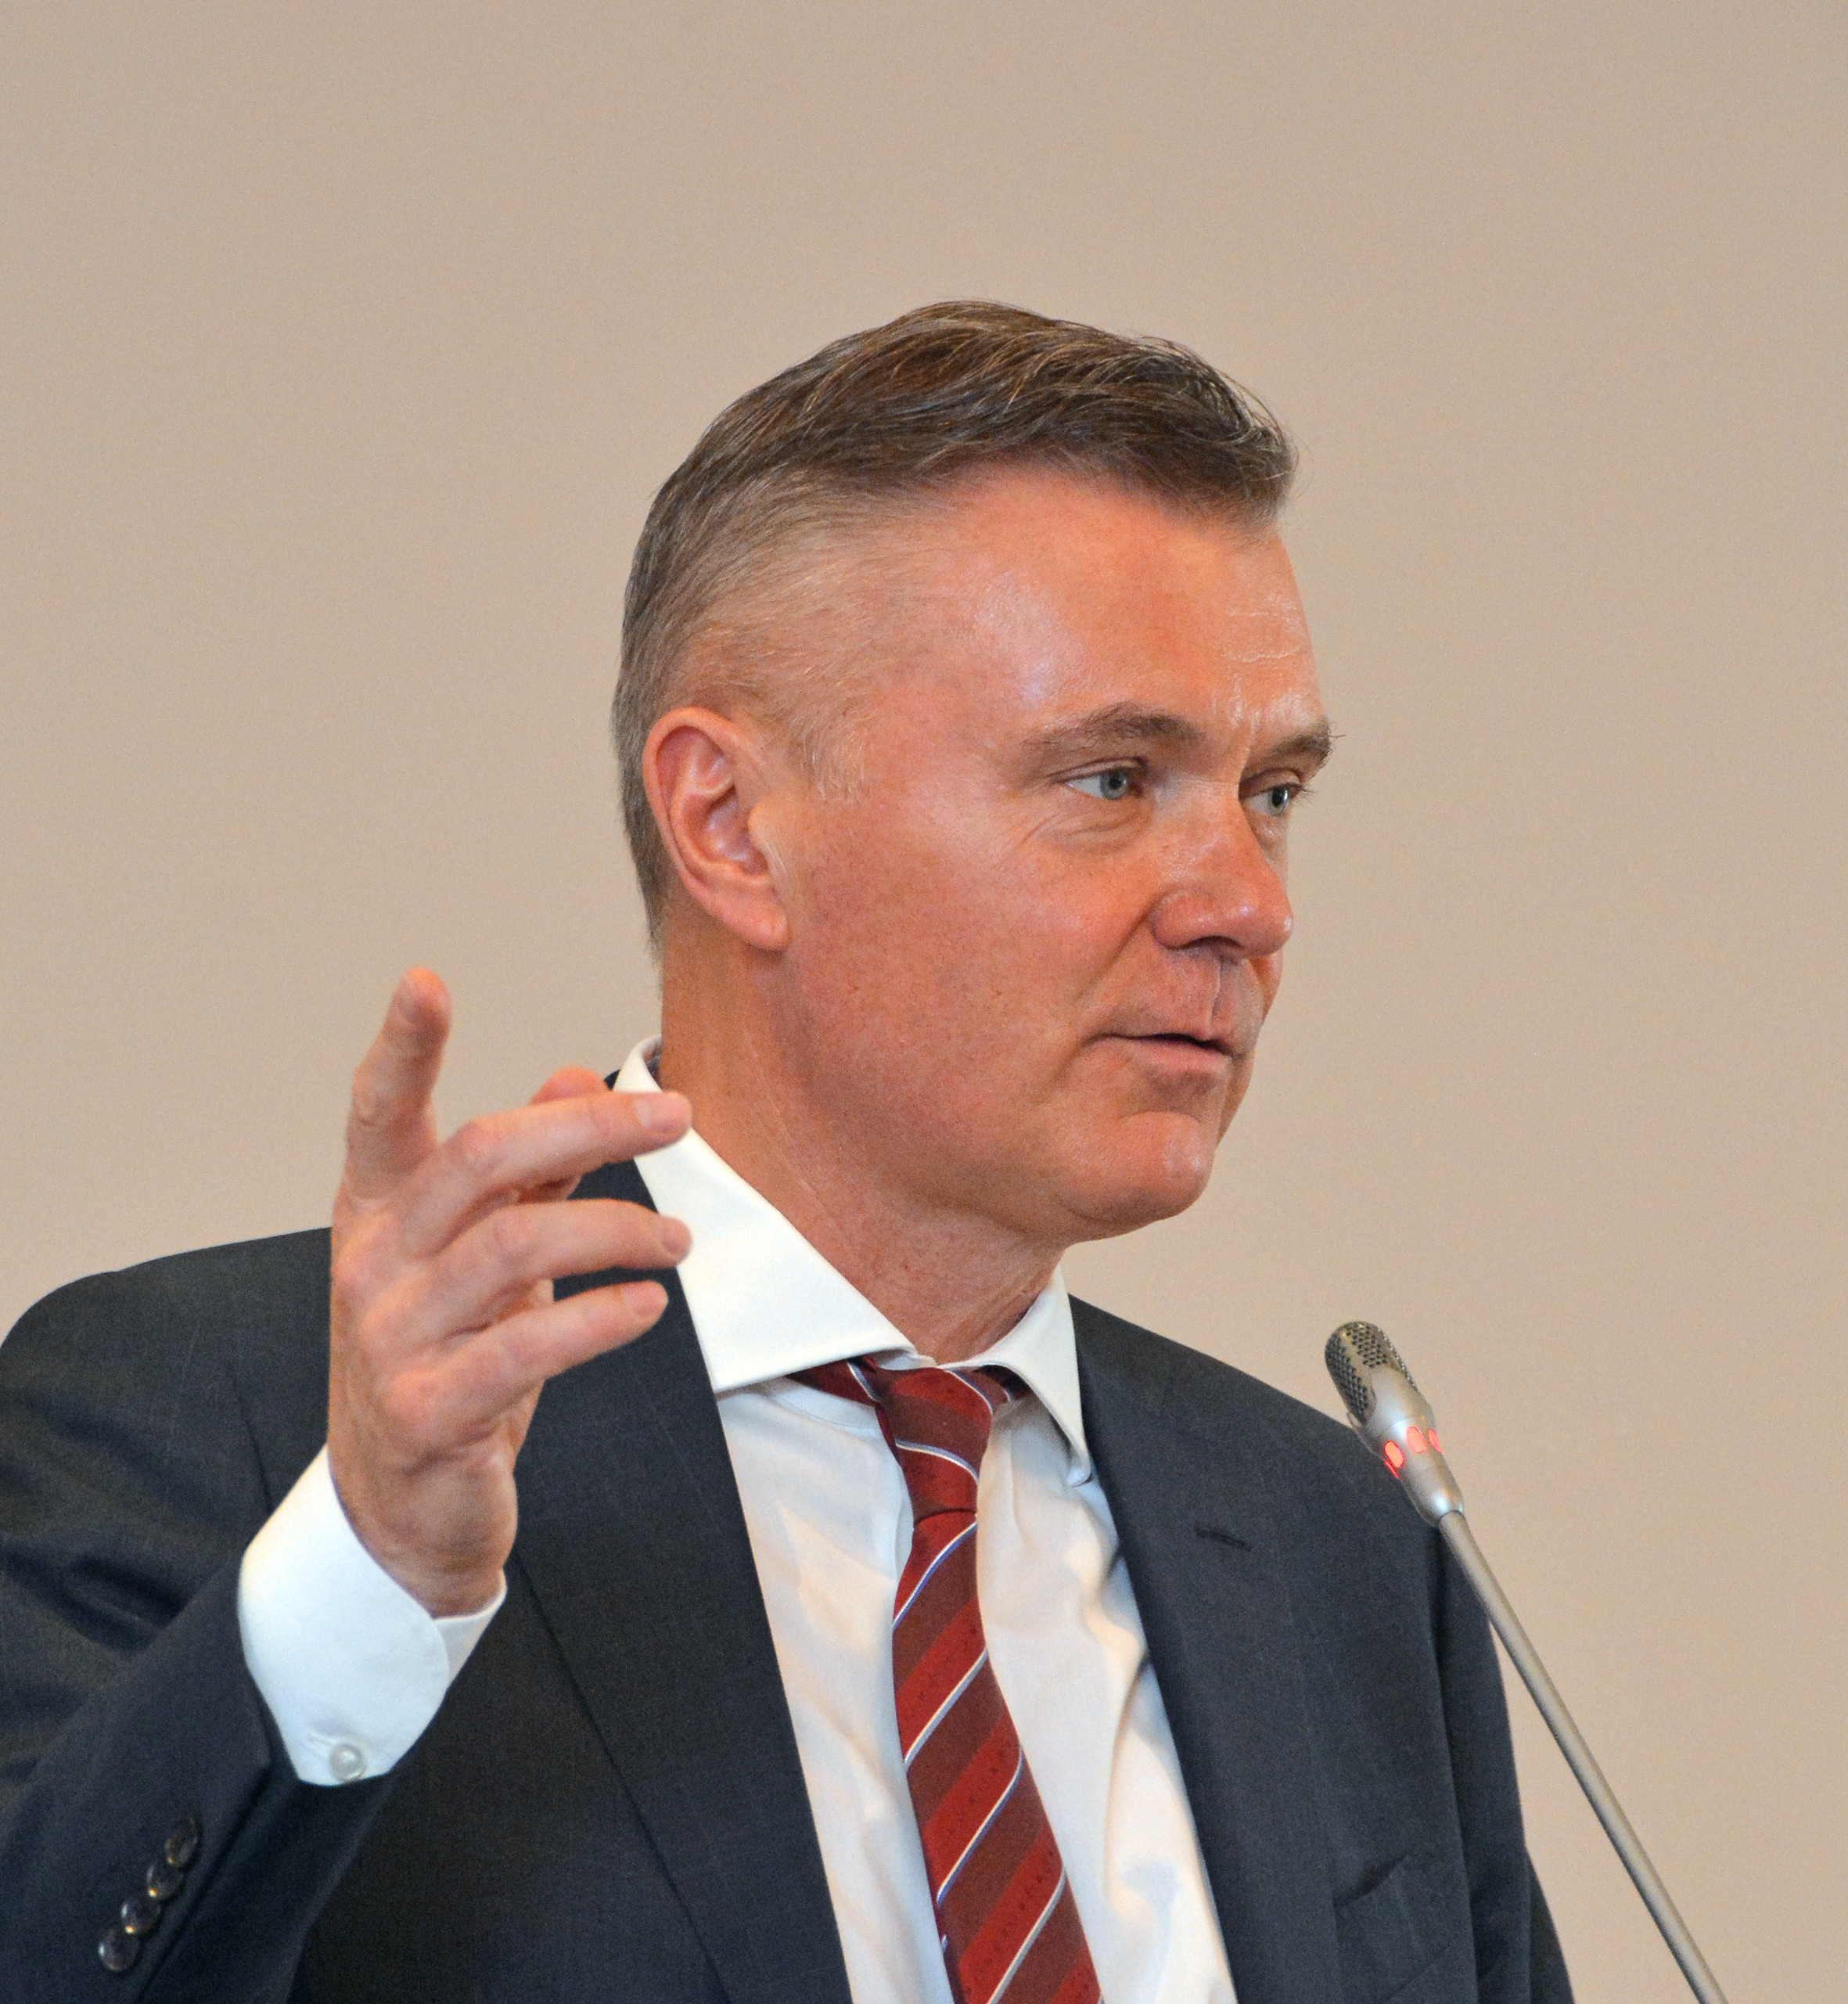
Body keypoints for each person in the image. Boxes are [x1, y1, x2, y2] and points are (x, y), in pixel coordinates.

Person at [0, 302, 1570, 2003]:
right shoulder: (253, 1423)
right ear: (733, 826)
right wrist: (371, 1578)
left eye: (1272, 793)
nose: (1247, 907)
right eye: (1114, 780)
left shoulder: (1338, 1549)